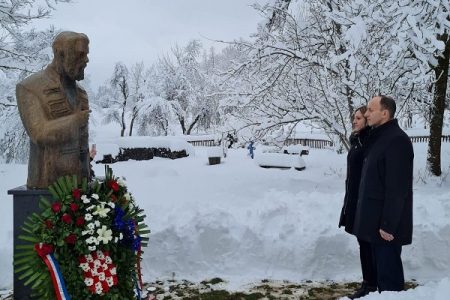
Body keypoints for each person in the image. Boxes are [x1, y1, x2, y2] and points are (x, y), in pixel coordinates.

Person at [353, 95, 414, 293]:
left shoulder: (397, 140)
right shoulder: (378, 137)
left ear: (385, 113)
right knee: (379, 280)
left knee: (389, 285)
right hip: (373, 223)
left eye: (371, 110)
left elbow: (397, 188)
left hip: (385, 229)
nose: (366, 114)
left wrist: (388, 224)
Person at [16, 31, 90, 188]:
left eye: (86, 54)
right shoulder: (30, 87)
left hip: (80, 187)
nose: (86, 60)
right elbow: (38, 132)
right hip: (45, 185)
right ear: (60, 54)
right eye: (80, 55)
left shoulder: (81, 93)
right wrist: (75, 121)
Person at [338, 106, 376, 299]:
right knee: (362, 241)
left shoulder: (368, 142)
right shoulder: (358, 141)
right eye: (354, 117)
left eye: (359, 118)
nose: (355, 121)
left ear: (367, 120)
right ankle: (368, 282)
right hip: (354, 198)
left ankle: (370, 284)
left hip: (364, 200)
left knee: (366, 241)